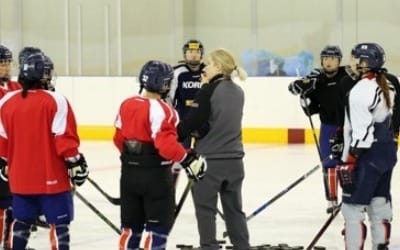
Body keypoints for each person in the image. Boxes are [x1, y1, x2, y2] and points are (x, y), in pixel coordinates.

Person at [114, 60, 207, 250]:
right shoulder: (165, 110)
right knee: (156, 230)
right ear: (165, 85)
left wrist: (135, 160)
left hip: (129, 176)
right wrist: (188, 159)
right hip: (156, 179)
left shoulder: (127, 104)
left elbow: (118, 139)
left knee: (130, 229)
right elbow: (166, 146)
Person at [0, 53, 89, 250]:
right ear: (43, 76)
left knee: (21, 223)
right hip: (52, 179)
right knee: (59, 225)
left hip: (20, 179)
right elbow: (65, 141)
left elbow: (2, 142)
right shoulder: (56, 100)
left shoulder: (7, 102)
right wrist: (76, 163)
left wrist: (5, 164)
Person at [177, 48, 250, 250]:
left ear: (218, 66)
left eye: (208, 63)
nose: (205, 67)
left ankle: (209, 246)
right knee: (234, 210)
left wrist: (171, 135)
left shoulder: (208, 91)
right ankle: (242, 245)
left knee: (205, 210)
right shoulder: (239, 91)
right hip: (235, 161)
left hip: (209, 162)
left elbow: (191, 123)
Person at [334, 43, 396, 250]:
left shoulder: (360, 90)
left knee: (352, 210)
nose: (351, 63)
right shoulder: (387, 83)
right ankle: (381, 246)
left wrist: (350, 159)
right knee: (379, 204)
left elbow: (362, 132)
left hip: (367, 156)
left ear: (365, 63)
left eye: (355, 59)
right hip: (386, 151)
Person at [288, 45, 354, 213]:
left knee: (349, 163)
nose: (328, 62)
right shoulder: (317, 81)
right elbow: (312, 109)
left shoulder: (347, 75)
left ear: (339, 60)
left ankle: (351, 198)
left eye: (332, 58)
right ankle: (331, 200)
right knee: (329, 164)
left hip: (350, 127)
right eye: (325, 58)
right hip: (328, 128)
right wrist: (304, 98)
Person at [167, 39, 206, 186]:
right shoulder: (177, 72)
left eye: (196, 52)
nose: (193, 55)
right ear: (185, 54)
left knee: (201, 162)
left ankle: (203, 193)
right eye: (190, 52)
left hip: (203, 125)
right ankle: (169, 194)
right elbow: (169, 99)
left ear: (201, 54)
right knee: (177, 159)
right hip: (182, 123)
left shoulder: (207, 71)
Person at [0, 44, 22, 249]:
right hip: (1, 154)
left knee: (16, 201)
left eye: (8, 62)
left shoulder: (16, 88)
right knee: (2, 202)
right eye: (2, 63)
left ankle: (10, 242)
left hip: (17, 154)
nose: (6, 67)